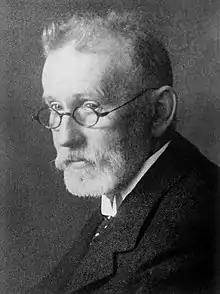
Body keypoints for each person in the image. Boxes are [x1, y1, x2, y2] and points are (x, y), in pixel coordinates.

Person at [28, 10, 219, 294]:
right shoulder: (126, 197)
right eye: (56, 108)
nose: (65, 138)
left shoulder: (186, 233)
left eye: (90, 108)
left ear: (158, 112)